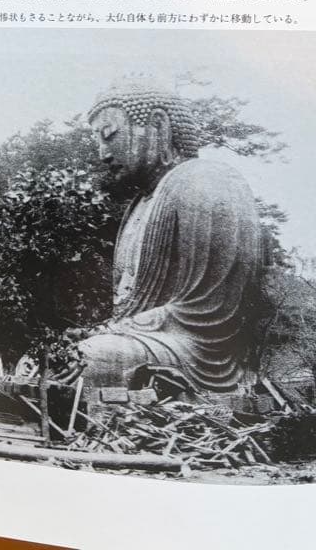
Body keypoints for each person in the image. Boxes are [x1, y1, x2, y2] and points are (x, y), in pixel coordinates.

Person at [77, 80, 260, 395]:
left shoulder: (206, 182)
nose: (102, 153)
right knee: (68, 356)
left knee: (93, 358)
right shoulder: (140, 203)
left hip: (197, 350)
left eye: (110, 135)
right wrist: (112, 328)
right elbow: (128, 302)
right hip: (145, 338)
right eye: (97, 141)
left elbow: (211, 312)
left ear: (158, 126)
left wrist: (121, 329)